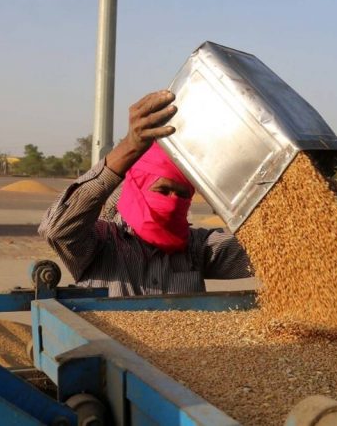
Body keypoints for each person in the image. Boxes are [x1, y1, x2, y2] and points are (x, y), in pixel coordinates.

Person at [39, 90, 252, 296]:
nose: (173, 201)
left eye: (182, 194)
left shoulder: (195, 248)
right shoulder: (102, 242)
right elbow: (57, 229)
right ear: (137, 187)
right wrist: (129, 148)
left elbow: (270, 251)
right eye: (163, 190)